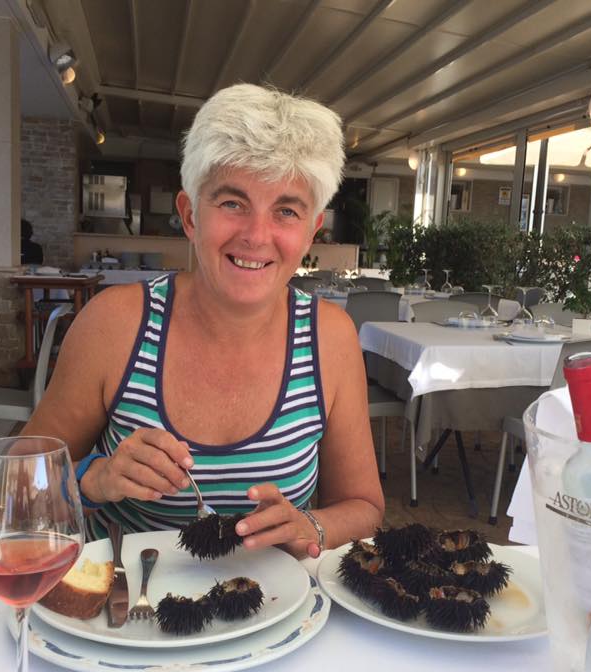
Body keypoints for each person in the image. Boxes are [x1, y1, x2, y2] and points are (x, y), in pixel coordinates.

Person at [23, 84, 384, 558]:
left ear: (311, 231)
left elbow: (363, 506)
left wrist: (311, 526)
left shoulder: (330, 338)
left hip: (277, 600)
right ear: (190, 215)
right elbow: (16, 484)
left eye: (286, 211)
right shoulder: (115, 324)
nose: (256, 236)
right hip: (128, 597)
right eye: (232, 203)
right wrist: (95, 478)